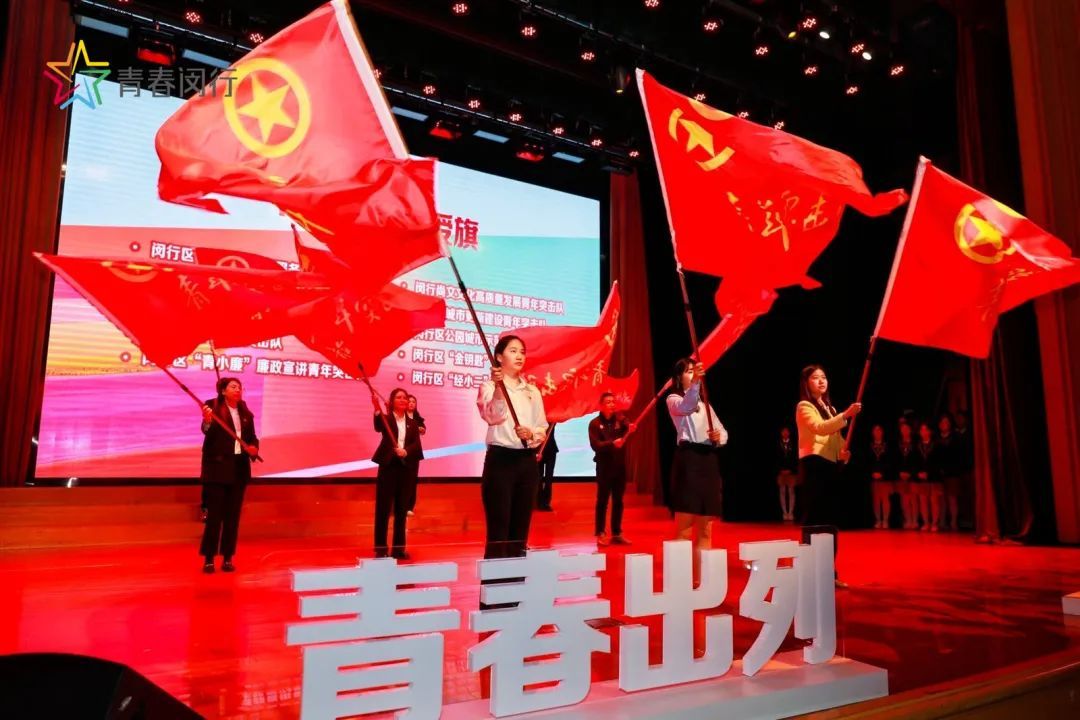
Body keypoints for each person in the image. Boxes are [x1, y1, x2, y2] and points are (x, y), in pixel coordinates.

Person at [476, 335, 548, 565]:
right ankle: (494, 587)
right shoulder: (488, 387)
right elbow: (493, 416)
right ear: (499, 357)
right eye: (513, 351)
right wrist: (499, 388)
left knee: (520, 530)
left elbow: (542, 427)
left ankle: (516, 585)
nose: (519, 356)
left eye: (522, 352)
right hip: (500, 462)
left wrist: (531, 434)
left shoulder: (532, 391)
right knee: (498, 530)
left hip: (526, 463)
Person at [795, 365, 861, 588]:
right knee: (815, 521)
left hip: (829, 467)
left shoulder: (830, 408)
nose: (821, 381)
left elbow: (836, 438)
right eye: (815, 378)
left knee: (830, 522)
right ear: (806, 383)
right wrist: (846, 415)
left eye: (824, 377)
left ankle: (828, 574)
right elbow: (820, 428)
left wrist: (844, 451)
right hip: (814, 465)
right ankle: (810, 574)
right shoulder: (804, 406)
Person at [666, 358, 727, 573]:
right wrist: (696, 383)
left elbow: (723, 431)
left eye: (694, 371)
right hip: (689, 461)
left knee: (706, 528)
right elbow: (687, 406)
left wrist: (718, 437)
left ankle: (702, 579)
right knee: (685, 526)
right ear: (678, 377)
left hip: (708, 461)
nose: (693, 374)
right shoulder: (674, 399)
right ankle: (680, 579)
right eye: (688, 371)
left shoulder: (706, 405)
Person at [199, 377, 259, 573]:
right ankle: (209, 558)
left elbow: (252, 438)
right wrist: (207, 421)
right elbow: (206, 430)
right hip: (217, 470)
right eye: (233, 387)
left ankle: (227, 557)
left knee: (232, 517)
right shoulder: (213, 407)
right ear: (223, 391)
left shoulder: (245, 412)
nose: (238, 390)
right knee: (214, 517)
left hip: (238, 470)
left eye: (240, 387)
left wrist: (254, 448)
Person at [371, 388, 422, 559]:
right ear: (392, 401)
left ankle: (399, 549)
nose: (403, 400)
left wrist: (406, 451)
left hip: (405, 469)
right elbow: (378, 426)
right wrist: (376, 408)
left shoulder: (413, 423)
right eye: (398, 397)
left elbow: (416, 446)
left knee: (401, 510)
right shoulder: (387, 420)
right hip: (388, 467)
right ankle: (381, 548)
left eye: (405, 397)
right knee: (383, 509)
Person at [589, 393, 636, 546]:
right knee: (602, 500)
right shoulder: (595, 423)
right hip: (604, 467)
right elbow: (596, 445)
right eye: (608, 402)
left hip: (619, 467)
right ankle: (600, 533)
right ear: (601, 405)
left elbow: (628, 435)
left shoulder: (620, 420)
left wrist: (631, 429)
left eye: (613, 402)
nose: (612, 404)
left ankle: (617, 533)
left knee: (618, 500)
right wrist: (612, 443)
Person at [915, 421, 942, 531]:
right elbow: (914, 462)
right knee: (923, 501)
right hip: (921, 478)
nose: (924, 432)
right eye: (921, 430)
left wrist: (929, 473)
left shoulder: (937, 445)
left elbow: (939, 462)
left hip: (934, 477)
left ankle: (935, 523)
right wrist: (918, 473)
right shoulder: (917, 446)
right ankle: (925, 522)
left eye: (926, 429)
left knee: (934, 501)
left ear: (930, 431)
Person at [937, 413, 962, 531]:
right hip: (939, 473)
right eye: (942, 422)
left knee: (952, 499)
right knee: (941, 499)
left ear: (950, 424)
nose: (944, 424)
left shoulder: (956, 438)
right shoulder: (936, 439)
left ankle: (954, 522)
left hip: (953, 472)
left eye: (946, 422)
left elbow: (959, 456)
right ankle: (942, 522)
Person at [868, 423, 894, 529]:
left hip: (885, 477)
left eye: (879, 430)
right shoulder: (869, 446)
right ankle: (878, 520)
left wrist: (883, 473)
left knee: (885, 499)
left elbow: (891, 462)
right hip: (873, 477)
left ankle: (886, 520)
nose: (877, 432)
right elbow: (867, 462)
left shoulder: (888, 446)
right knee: (876, 500)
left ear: (882, 432)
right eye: (875, 430)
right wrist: (872, 473)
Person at [405, 394, 426, 517]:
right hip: (402, 451)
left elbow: (423, 430)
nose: (411, 403)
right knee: (401, 480)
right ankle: (398, 505)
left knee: (412, 480)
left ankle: (409, 506)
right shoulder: (400, 417)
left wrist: (421, 429)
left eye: (414, 401)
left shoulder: (418, 418)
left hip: (413, 453)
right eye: (409, 401)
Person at [896, 420, 918, 529]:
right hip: (901, 475)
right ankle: (908, 519)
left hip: (913, 475)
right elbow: (895, 460)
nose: (904, 430)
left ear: (910, 430)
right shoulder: (898, 444)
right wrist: (900, 472)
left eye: (907, 428)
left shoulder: (915, 443)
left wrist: (911, 473)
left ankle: (915, 520)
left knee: (913, 499)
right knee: (904, 500)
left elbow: (917, 460)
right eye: (902, 428)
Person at [775, 426, 799, 522]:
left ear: (789, 433)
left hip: (791, 472)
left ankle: (791, 512)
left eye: (786, 431)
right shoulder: (778, 444)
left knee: (791, 491)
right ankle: (784, 512)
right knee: (782, 492)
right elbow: (775, 458)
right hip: (781, 472)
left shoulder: (793, 444)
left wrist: (791, 469)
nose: (785, 433)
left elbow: (795, 458)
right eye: (783, 431)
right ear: (781, 433)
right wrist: (780, 469)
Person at [536, 425, 558, 511]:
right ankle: (539, 501)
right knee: (539, 477)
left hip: (551, 450)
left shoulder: (552, 420)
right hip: (539, 450)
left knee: (549, 478)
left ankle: (546, 502)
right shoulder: (537, 421)